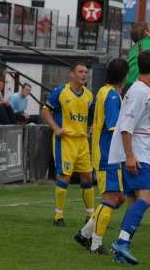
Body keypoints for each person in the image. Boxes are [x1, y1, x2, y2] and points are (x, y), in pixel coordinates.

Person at [108, 50, 150, 265]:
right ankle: (122, 243)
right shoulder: (141, 92)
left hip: (137, 152)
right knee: (146, 199)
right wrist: (130, 156)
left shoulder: (139, 90)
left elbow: (134, 123)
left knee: (133, 202)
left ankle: (122, 250)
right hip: (137, 155)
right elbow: (126, 128)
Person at [74, 58, 129, 255]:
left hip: (106, 151)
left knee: (120, 197)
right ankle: (96, 244)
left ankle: (84, 234)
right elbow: (115, 128)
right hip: (108, 154)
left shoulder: (103, 91)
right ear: (124, 76)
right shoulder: (113, 96)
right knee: (111, 198)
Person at [41, 62, 95, 227]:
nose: (84, 74)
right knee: (65, 176)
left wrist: (92, 126)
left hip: (82, 141)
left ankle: (90, 216)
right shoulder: (60, 92)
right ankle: (58, 215)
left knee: (87, 176)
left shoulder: (89, 95)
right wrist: (56, 128)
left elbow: (92, 114)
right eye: (80, 71)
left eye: (86, 72)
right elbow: (45, 111)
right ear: (72, 74)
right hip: (66, 141)